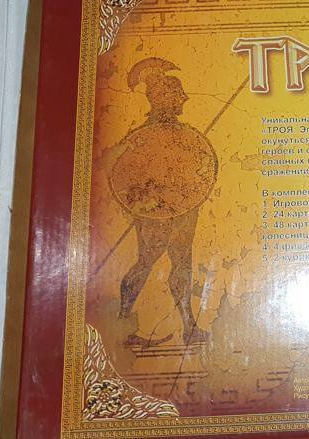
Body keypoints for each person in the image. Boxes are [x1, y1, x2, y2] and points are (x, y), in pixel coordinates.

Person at [110, 58, 215, 346]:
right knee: (146, 263)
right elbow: (128, 177)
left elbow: (194, 169)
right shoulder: (142, 139)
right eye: (178, 93)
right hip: (157, 212)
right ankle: (121, 323)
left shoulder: (183, 136)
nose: (185, 97)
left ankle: (189, 327)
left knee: (182, 265)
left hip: (184, 206)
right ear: (163, 97)